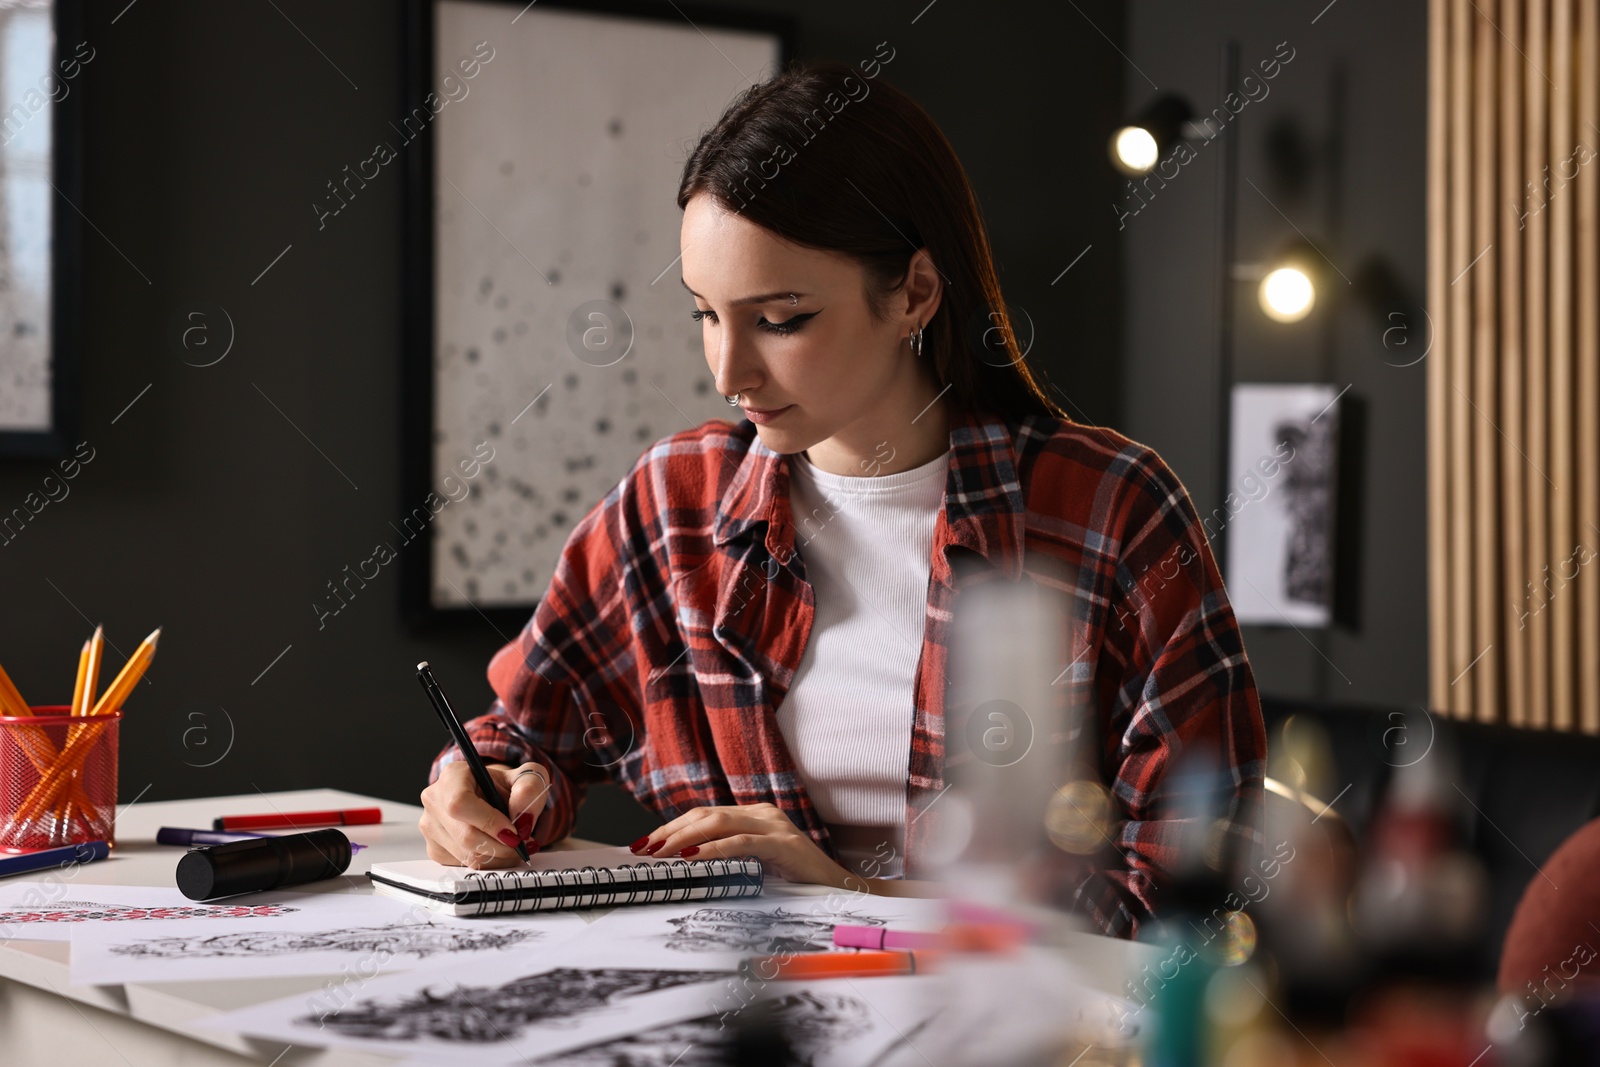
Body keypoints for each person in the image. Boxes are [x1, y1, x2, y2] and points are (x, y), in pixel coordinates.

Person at [419, 58, 1266, 938]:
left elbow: (1190, 897)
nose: (728, 370)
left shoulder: (1112, 509)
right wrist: (481, 789)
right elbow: (525, 735)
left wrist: (851, 898)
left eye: (780, 319)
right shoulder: (673, 507)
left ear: (915, 293)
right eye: (706, 313)